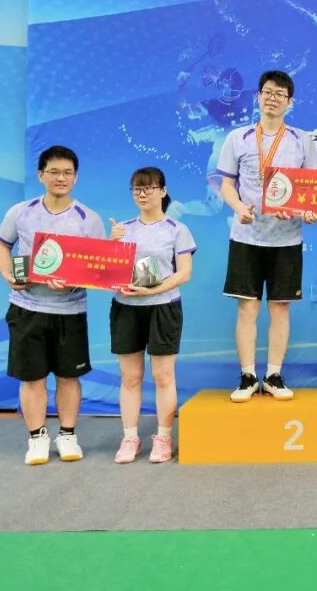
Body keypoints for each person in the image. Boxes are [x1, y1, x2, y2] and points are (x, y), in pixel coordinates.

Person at [0, 145, 106, 465]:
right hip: (26, 307)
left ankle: (67, 435)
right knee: (33, 378)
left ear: (76, 178)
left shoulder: (89, 219)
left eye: (67, 172)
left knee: (69, 377)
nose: (61, 178)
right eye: (54, 171)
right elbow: (0, 247)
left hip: (70, 311)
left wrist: (75, 282)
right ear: (41, 175)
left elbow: (99, 269)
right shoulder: (21, 212)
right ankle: (37, 438)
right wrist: (8, 275)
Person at [217, 70, 317, 402]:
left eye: (280, 94)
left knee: (280, 307)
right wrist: (238, 207)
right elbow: (226, 184)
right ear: (258, 97)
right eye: (268, 92)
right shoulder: (238, 137)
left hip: (286, 239)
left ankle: (273, 375)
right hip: (246, 237)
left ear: (290, 103)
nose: (273, 98)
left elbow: (312, 190)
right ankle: (248, 376)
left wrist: (307, 211)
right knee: (247, 309)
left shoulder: (302, 140)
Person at [108, 167, 196, 464]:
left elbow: (184, 273)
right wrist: (112, 243)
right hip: (125, 308)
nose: (142, 194)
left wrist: (154, 289)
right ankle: (130, 437)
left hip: (163, 307)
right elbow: (107, 271)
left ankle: (164, 437)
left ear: (163, 191)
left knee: (163, 376)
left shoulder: (176, 229)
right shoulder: (122, 228)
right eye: (137, 189)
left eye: (149, 188)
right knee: (130, 376)